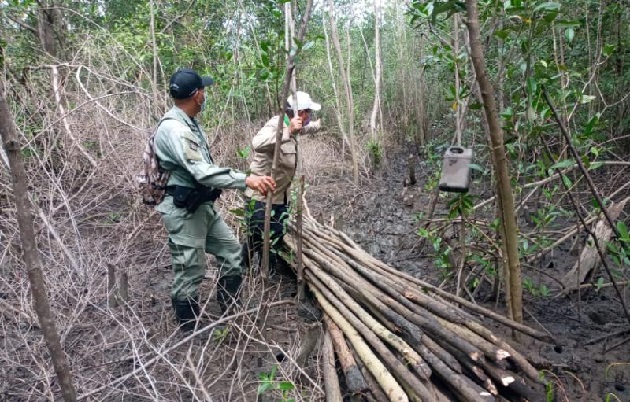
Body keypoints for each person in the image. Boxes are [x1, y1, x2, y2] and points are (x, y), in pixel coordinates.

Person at [154, 67, 276, 331]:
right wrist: (245, 179)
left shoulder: (188, 122)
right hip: (184, 211)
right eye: (204, 90)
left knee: (232, 252)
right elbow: (201, 171)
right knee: (191, 269)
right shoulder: (176, 129)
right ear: (197, 95)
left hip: (201, 206)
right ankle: (189, 329)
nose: (205, 95)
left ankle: (230, 310)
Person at [242, 91, 321, 277]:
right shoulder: (276, 125)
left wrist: (316, 126)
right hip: (261, 197)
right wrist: (288, 132)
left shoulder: (295, 125)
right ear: (300, 112)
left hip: (279, 197)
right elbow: (257, 143)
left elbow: (305, 129)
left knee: (267, 236)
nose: (309, 116)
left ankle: (249, 267)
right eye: (308, 112)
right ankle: (261, 275)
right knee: (262, 238)